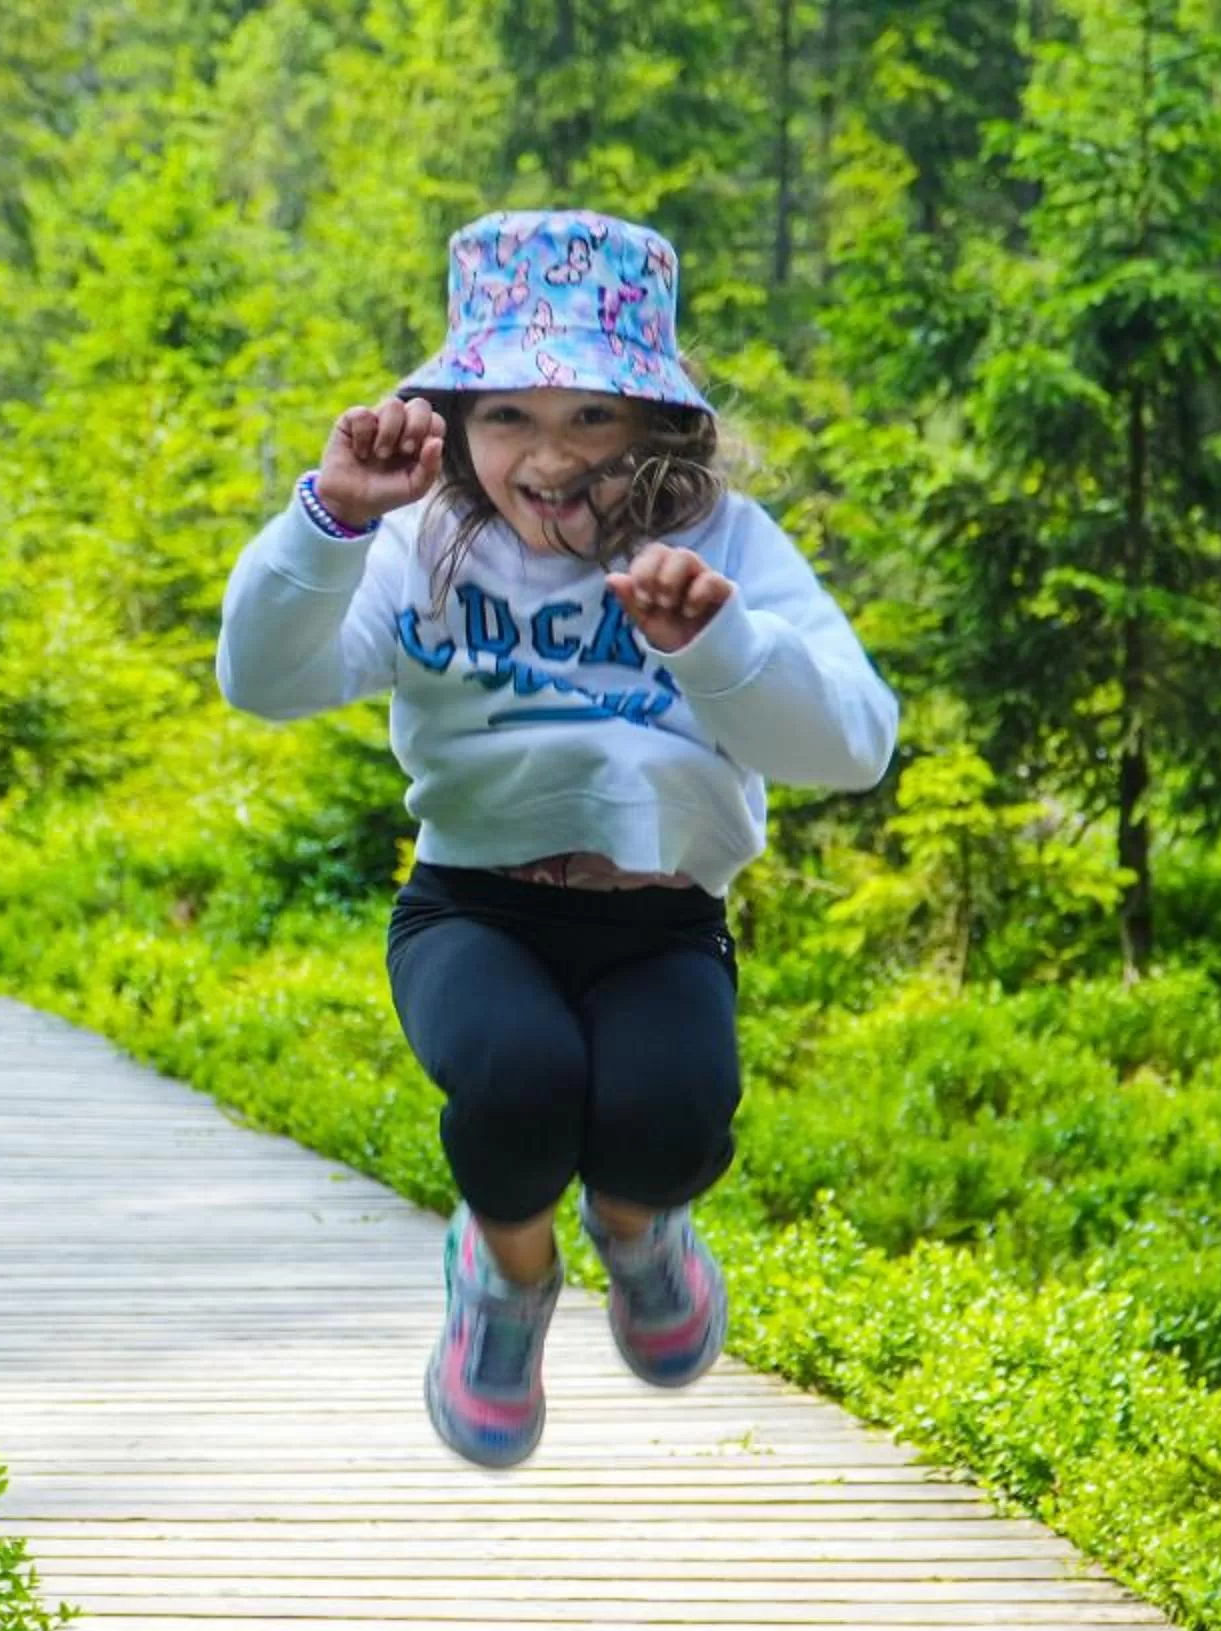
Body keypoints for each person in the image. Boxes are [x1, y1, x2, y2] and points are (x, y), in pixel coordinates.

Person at [215, 209, 898, 1467]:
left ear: (654, 422)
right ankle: (506, 1279)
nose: (550, 455)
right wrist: (330, 518)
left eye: (591, 414)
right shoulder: (420, 540)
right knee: (519, 1081)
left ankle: (641, 1235)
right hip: (473, 908)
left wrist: (719, 643)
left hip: (660, 920)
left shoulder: (722, 544)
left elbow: (851, 744)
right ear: (460, 422)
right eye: (510, 416)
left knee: (675, 1113)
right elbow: (263, 678)